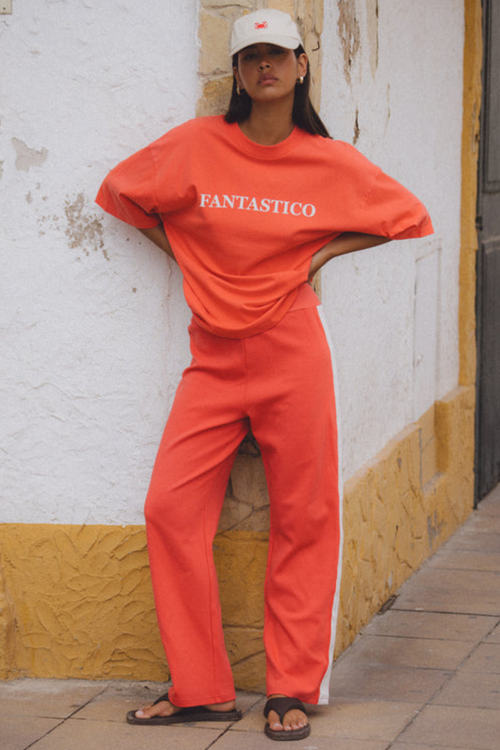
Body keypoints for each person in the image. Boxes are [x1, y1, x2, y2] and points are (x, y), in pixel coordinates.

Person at [95, 8, 433, 741]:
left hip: (292, 351)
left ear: (301, 66)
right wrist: (182, 253)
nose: (264, 68)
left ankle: (291, 689)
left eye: (277, 55)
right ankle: (202, 689)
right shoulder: (197, 147)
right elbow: (121, 194)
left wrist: (322, 254)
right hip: (211, 358)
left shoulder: (328, 160)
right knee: (170, 510)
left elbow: (407, 215)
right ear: (238, 73)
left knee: (305, 515)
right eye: (250, 58)